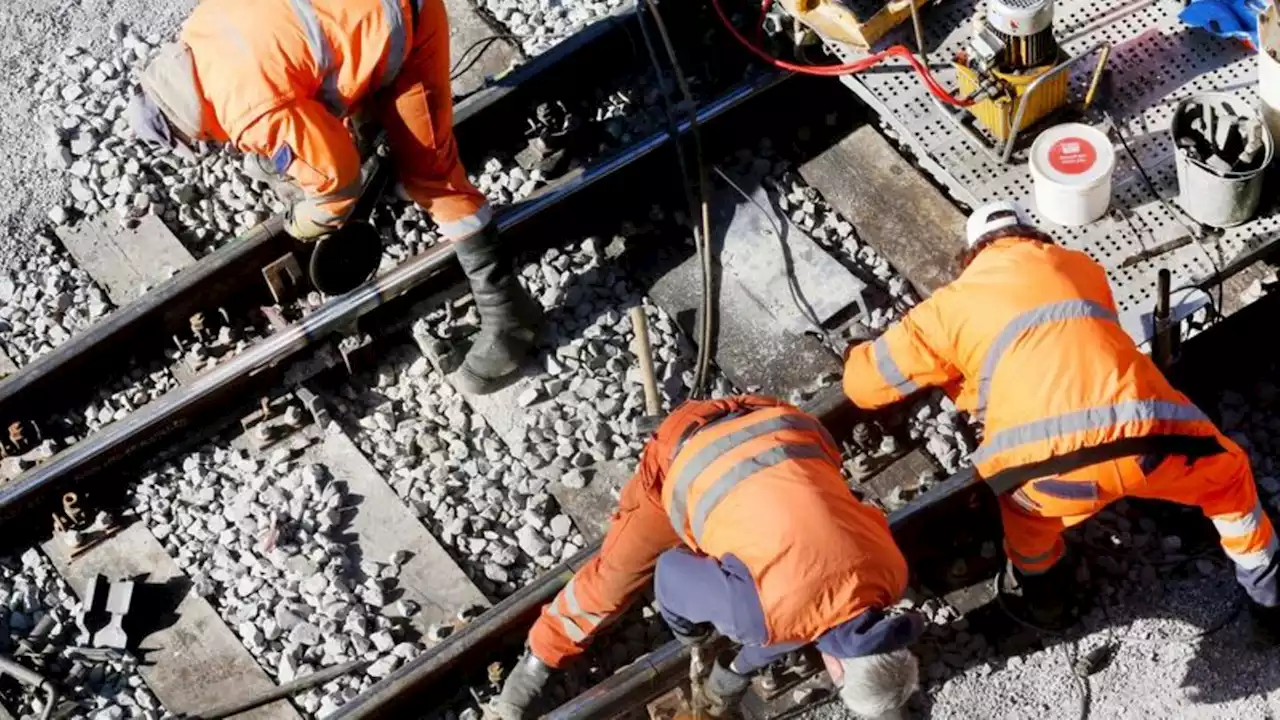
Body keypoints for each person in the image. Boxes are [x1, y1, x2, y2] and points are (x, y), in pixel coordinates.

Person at [841, 200, 1280, 627]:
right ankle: (1269, 602)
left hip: (1045, 468)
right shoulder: (1080, 266)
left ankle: (1046, 596)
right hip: (1153, 437)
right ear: (1033, 236)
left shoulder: (949, 306)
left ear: (971, 256)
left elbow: (863, 387)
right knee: (1229, 483)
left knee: (1029, 526)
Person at [126, 0, 541, 394]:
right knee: (321, 95)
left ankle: (510, 315)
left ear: (185, 127)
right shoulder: (201, 29)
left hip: (406, 20)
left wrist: (306, 221)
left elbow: (337, 184)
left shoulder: (248, 110)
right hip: (357, 16)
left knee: (434, 179)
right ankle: (378, 131)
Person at [493, 396, 923, 719]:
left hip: (783, 424)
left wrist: (744, 663)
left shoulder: (894, 573)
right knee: (616, 575)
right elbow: (668, 575)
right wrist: (692, 636)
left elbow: (820, 598)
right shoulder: (760, 619)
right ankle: (542, 652)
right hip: (686, 453)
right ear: (836, 670)